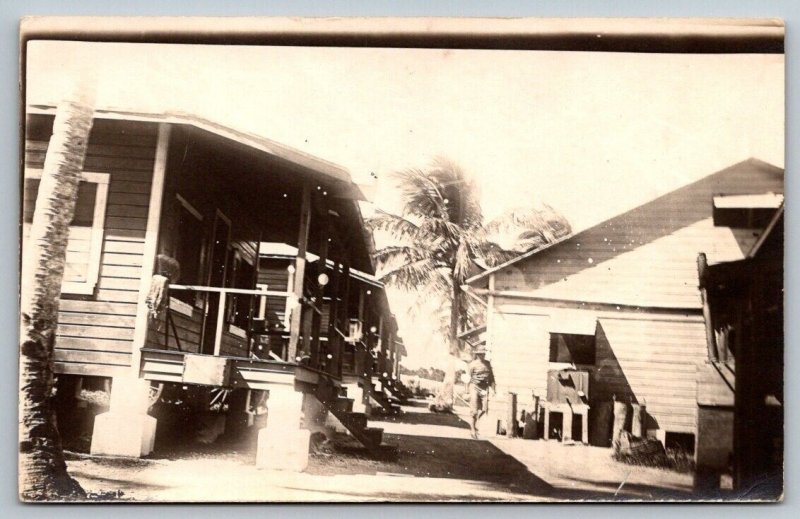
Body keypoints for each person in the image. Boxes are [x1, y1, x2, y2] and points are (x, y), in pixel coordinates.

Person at [467, 344, 496, 439]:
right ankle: (472, 430)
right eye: (479, 354)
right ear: (477, 354)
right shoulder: (472, 364)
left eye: (483, 354)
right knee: (474, 411)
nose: (481, 356)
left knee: (484, 409)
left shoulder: (488, 364)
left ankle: (475, 423)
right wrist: (467, 391)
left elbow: (491, 378)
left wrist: (493, 389)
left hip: (484, 388)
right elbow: (468, 378)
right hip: (474, 386)